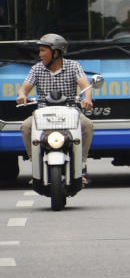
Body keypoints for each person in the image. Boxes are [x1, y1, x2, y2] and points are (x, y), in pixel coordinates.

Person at [16, 34, 94, 184]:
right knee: (26, 127)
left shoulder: (73, 66)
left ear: (56, 52)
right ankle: (36, 165)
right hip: (43, 113)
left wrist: (87, 99)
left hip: (70, 111)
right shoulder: (37, 68)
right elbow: (24, 89)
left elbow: (86, 86)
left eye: (43, 50)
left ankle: (81, 164)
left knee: (87, 125)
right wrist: (22, 95)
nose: (40, 55)